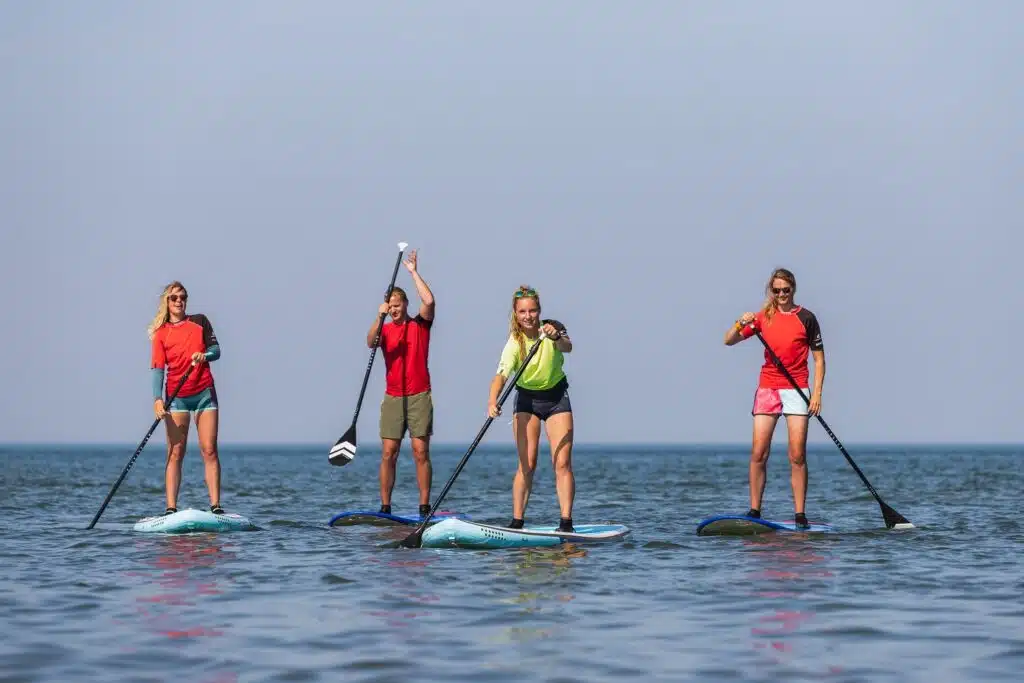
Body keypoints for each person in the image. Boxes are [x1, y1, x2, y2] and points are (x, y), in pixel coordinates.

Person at [723, 267, 825, 529]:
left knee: (797, 455)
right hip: (768, 388)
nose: (781, 294)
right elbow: (728, 340)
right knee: (759, 452)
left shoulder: (807, 318)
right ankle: (755, 510)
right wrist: (740, 322)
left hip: (797, 389)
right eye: (776, 290)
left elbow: (819, 359)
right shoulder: (762, 317)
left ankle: (800, 514)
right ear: (771, 290)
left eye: (785, 290)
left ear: (793, 289)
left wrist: (816, 394)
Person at [487, 285, 575, 532]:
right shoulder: (515, 342)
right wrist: (492, 401)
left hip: (556, 398)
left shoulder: (553, 329)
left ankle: (566, 523)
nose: (528, 316)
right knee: (527, 463)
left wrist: (556, 337)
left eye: (532, 311)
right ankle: (517, 523)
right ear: (516, 314)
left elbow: (567, 347)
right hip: (527, 401)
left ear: (539, 311)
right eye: (523, 312)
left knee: (562, 462)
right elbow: (501, 375)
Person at [367, 249, 435, 517]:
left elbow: (429, 300)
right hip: (393, 396)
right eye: (390, 306)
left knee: (420, 451)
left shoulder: (420, 325)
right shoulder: (384, 329)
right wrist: (379, 316)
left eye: (397, 305)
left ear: (405, 304)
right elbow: (370, 342)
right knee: (389, 452)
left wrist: (413, 273)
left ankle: (424, 506)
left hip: (419, 395)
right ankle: (385, 506)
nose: (394, 310)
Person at [148, 281, 223, 516]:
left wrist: (205, 355)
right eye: (174, 297)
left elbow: (217, 351)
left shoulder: (200, 321)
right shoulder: (161, 334)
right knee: (175, 452)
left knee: (209, 450)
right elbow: (158, 369)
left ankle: (216, 507)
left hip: (203, 393)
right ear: (167, 301)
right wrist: (157, 400)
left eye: (183, 297)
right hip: (176, 397)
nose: (179, 301)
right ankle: (171, 508)